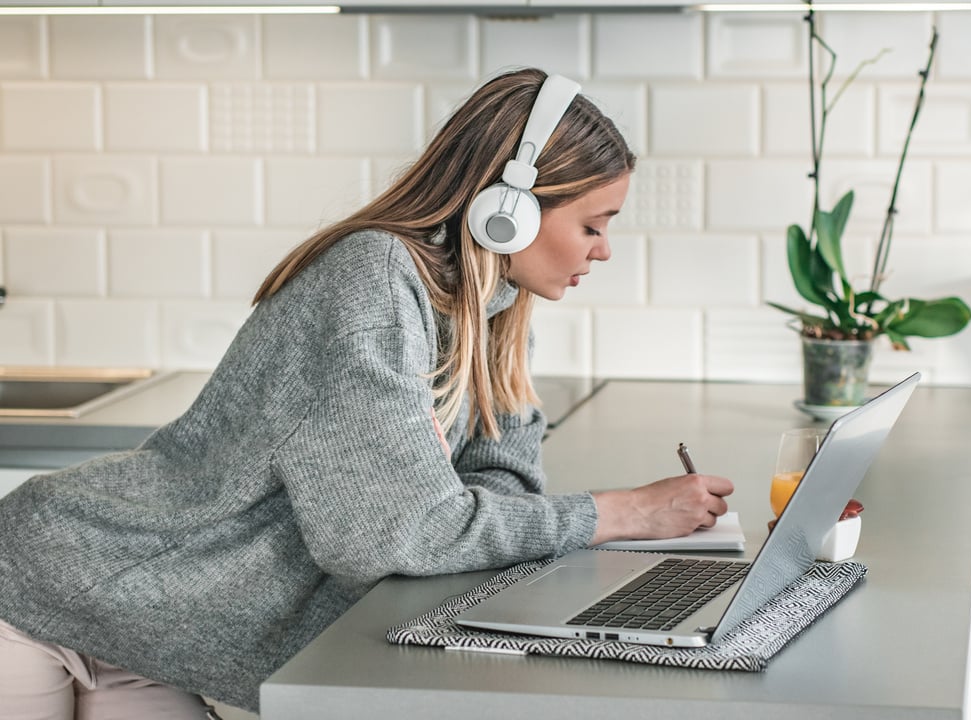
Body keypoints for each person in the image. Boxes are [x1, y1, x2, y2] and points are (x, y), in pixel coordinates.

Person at [0, 68, 734, 719]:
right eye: (594, 225)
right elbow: (394, 535)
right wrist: (618, 513)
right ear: (505, 209)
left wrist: (508, 349)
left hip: (146, 616)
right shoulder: (373, 284)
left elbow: (491, 494)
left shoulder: (487, 313)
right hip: (51, 584)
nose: (604, 249)